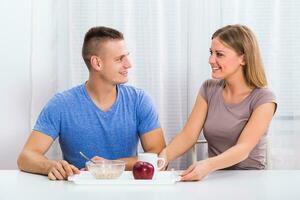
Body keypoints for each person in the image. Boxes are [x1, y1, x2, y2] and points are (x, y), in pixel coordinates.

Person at [17, 26, 166, 180]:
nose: (129, 64)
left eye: (127, 56)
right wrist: (50, 166)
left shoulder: (140, 101)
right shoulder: (61, 104)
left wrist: (112, 164)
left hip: (127, 190)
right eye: (119, 59)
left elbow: (159, 156)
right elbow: (26, 156)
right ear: (97, 63)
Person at [159, 24, 277, 181]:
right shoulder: (209, 88)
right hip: (216, 177)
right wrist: (163, 157)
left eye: (219, 54)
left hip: (251, 179)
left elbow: (243, 148)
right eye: (211, 53)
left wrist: (207, 165)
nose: (211, 60)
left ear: (243, 58)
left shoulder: (264, 98)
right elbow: (188, 135)